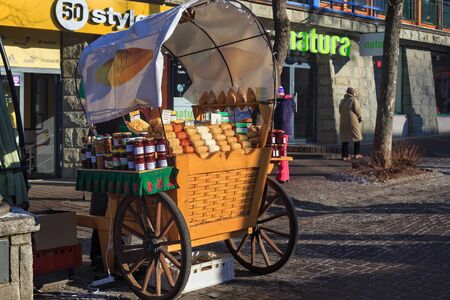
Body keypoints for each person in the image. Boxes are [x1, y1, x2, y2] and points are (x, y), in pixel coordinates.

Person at [273, 86, 295, 183]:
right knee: (282, 153)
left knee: (282, 153)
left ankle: (283, 176)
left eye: (277, 93)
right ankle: (283, 175)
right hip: (283, 130)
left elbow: (283, 117)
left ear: (280, 93)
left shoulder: (284, 103)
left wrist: (274, 117)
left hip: (283, 130)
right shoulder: (285, 102)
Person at [339, 87, 363, 160]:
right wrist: (360, 117)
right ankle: (356, 154)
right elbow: (357, 110)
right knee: (357, 136)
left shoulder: (342, 100)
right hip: (352, 121)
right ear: (352, 93)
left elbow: (340, 110)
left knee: (345, 138)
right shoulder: (353, 99)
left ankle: (344, 156)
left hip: (343, 121)